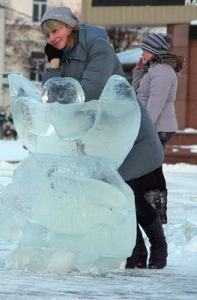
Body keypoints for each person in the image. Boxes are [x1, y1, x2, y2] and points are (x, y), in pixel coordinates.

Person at [40, 6, 167, 269]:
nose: (52, 38)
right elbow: (50, 95)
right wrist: (53, 64)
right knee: (114, 196)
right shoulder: (61, 56)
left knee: (128, 194)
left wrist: (63, 94)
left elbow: (89, 92)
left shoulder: (98, 47)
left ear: (70, 26)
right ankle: (135, 252)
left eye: (55, 30)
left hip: (131, 134)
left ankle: (159, 247)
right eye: (47, 34)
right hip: (104, 137)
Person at [132, 33, 184, 225]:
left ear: (154, 51)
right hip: (154, 125)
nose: (142, 53)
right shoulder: (152, 69)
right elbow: (138, 92)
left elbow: (156, 102)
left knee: (150, 167)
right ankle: (155, 209)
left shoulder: (161, 71)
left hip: (158, 126)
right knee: (151, 166)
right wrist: (138, 72)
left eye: (145, 50)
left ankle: (157, 210)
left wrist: (145, 127)